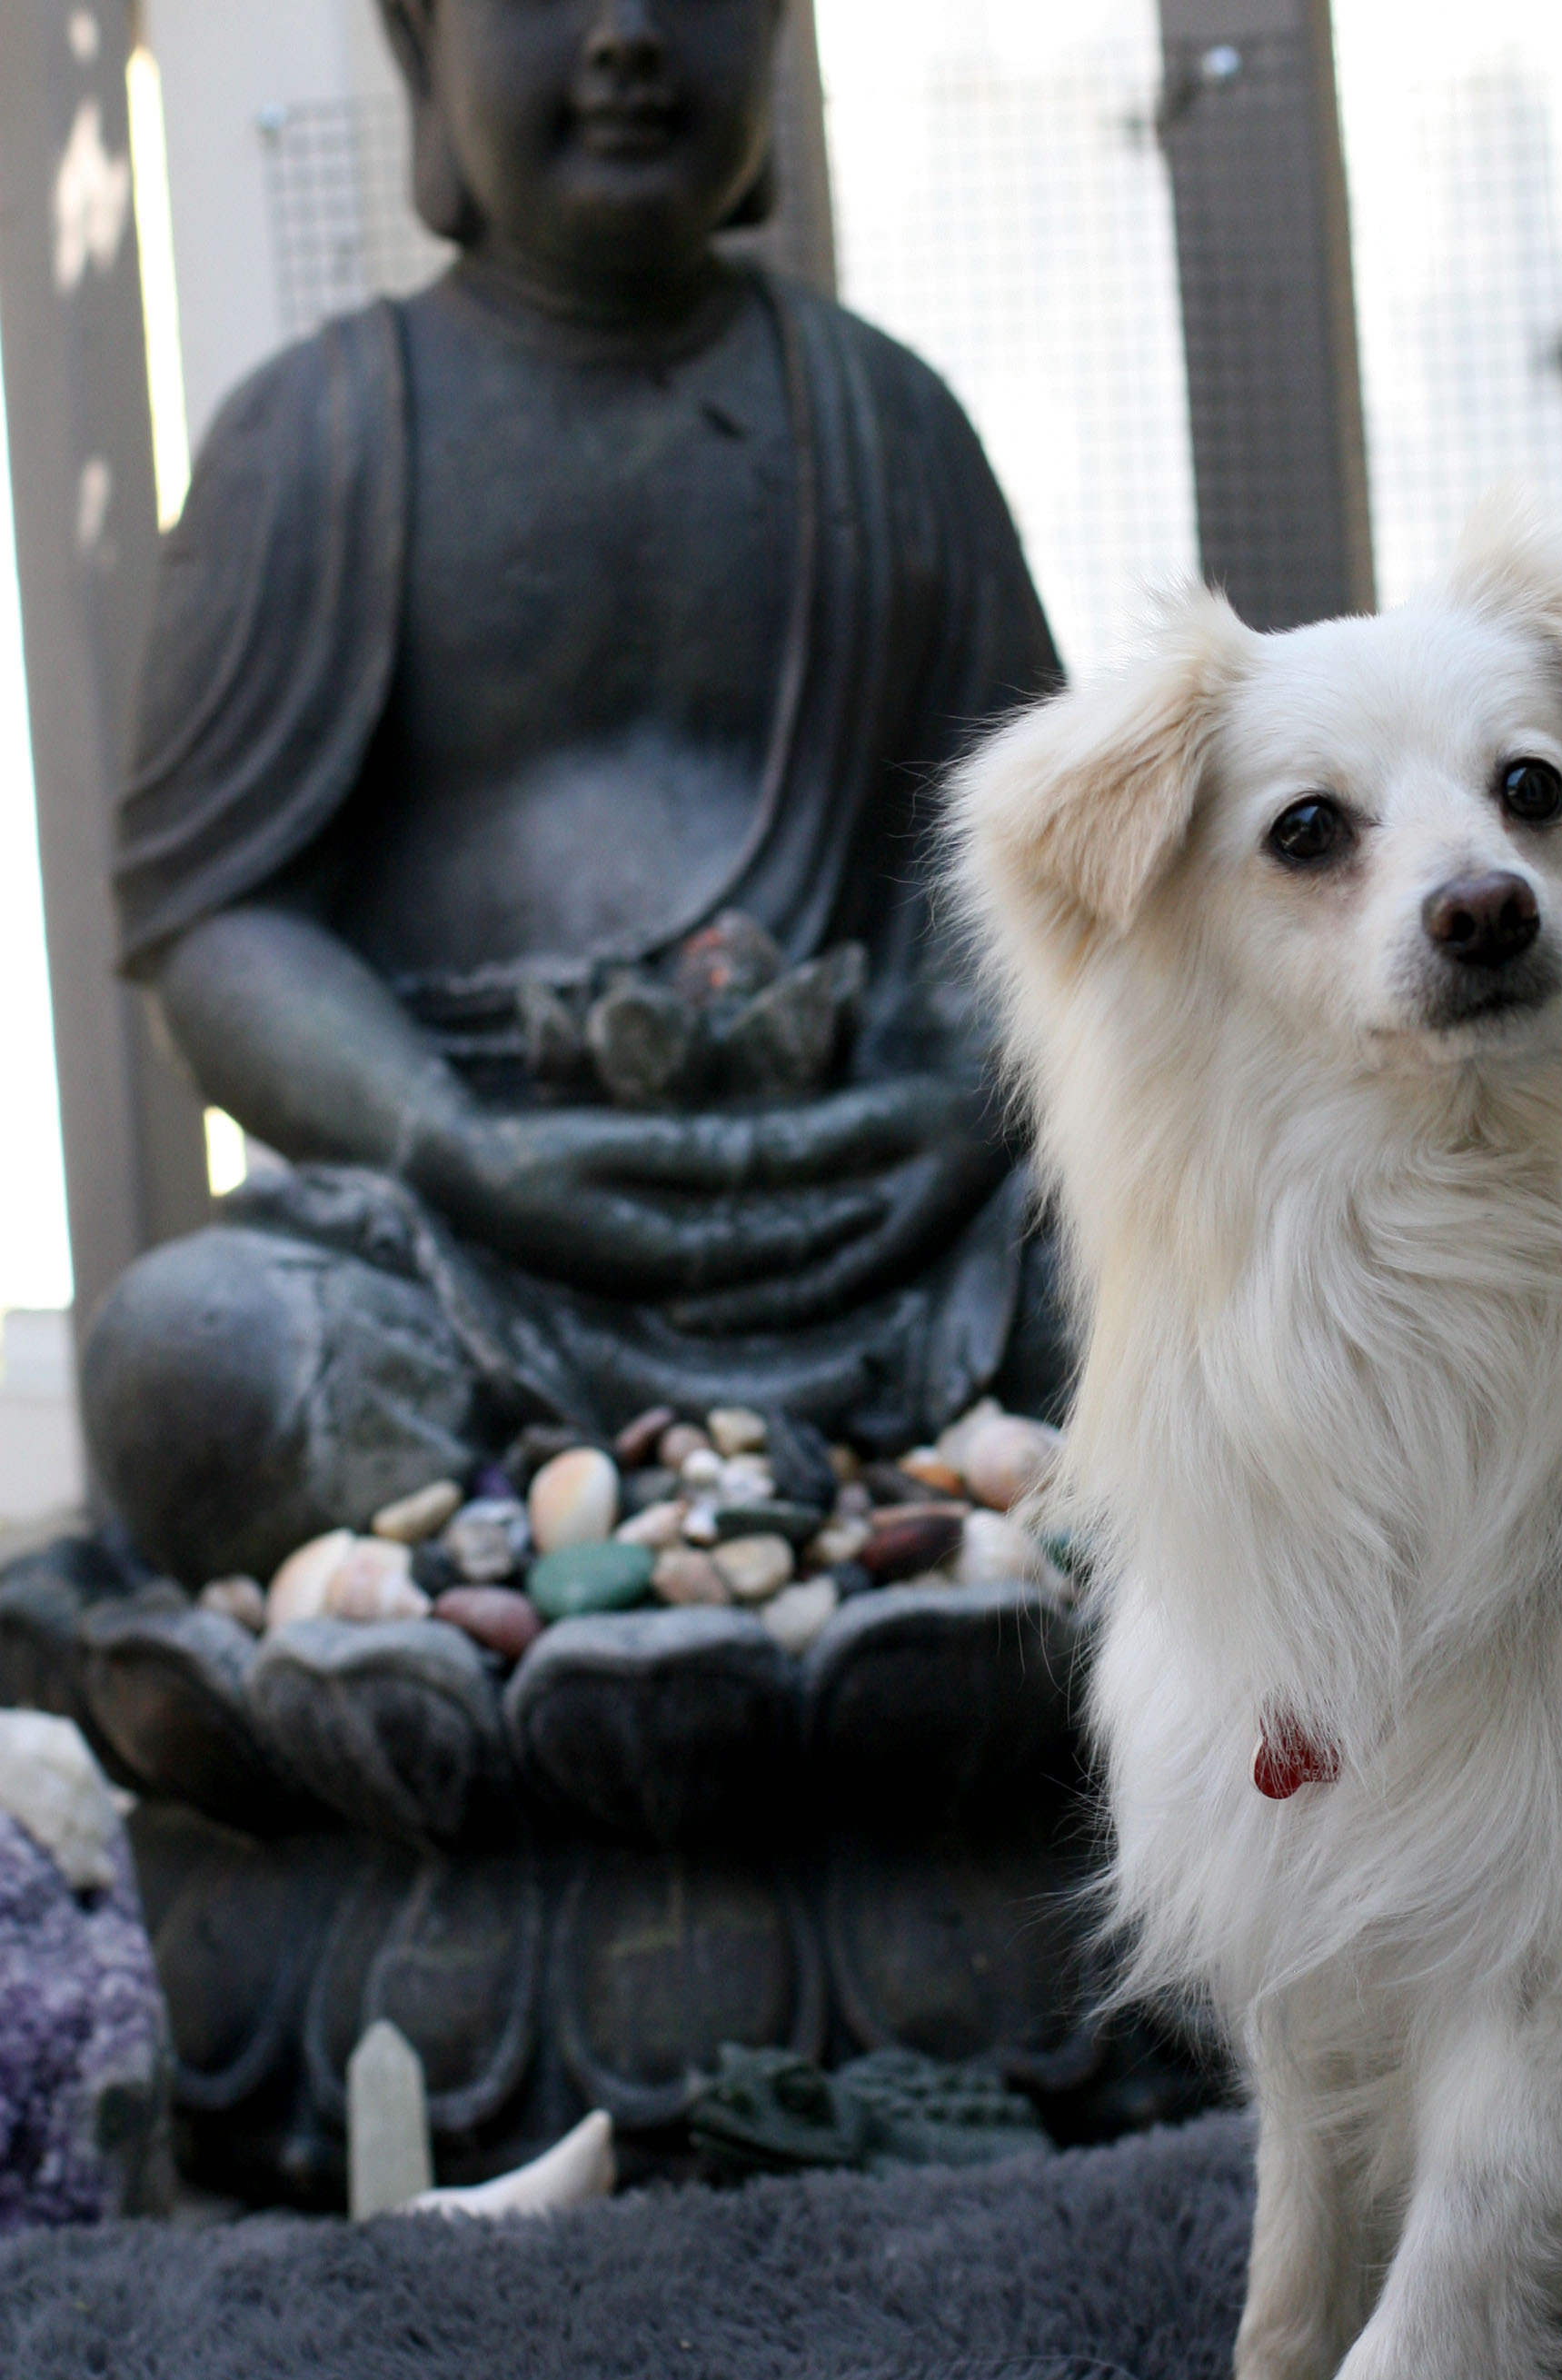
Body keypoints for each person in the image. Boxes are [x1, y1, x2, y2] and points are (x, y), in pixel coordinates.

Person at [84, 0, 1066, 1585]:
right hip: (471, 1243)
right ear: (423, 45)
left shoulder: (892, 426)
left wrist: (949, 1105)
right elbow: (217, 923)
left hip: (874, 1223)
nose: (624, 39)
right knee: (190, 1360)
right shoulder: (317, 437)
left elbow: (1025, 866)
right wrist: (443, 1137)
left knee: (1210, 1272)